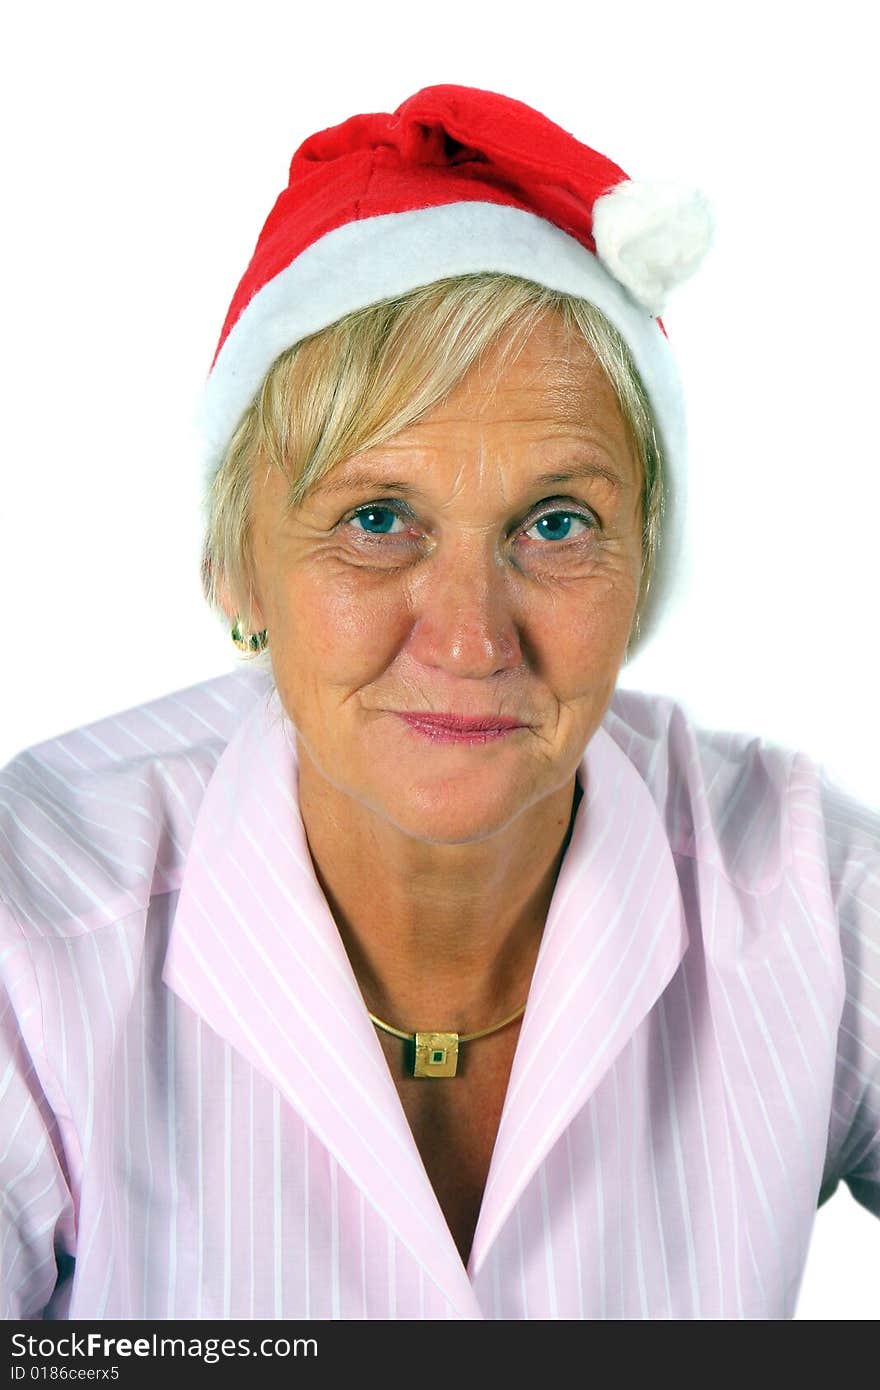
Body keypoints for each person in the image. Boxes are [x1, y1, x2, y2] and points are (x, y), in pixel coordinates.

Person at [1, 83, 877, 1322]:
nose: (469, 638)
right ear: (235, 566)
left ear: (643, 570)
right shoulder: (31, 927)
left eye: (556, 523)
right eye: (376, 520)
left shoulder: (807, 891)